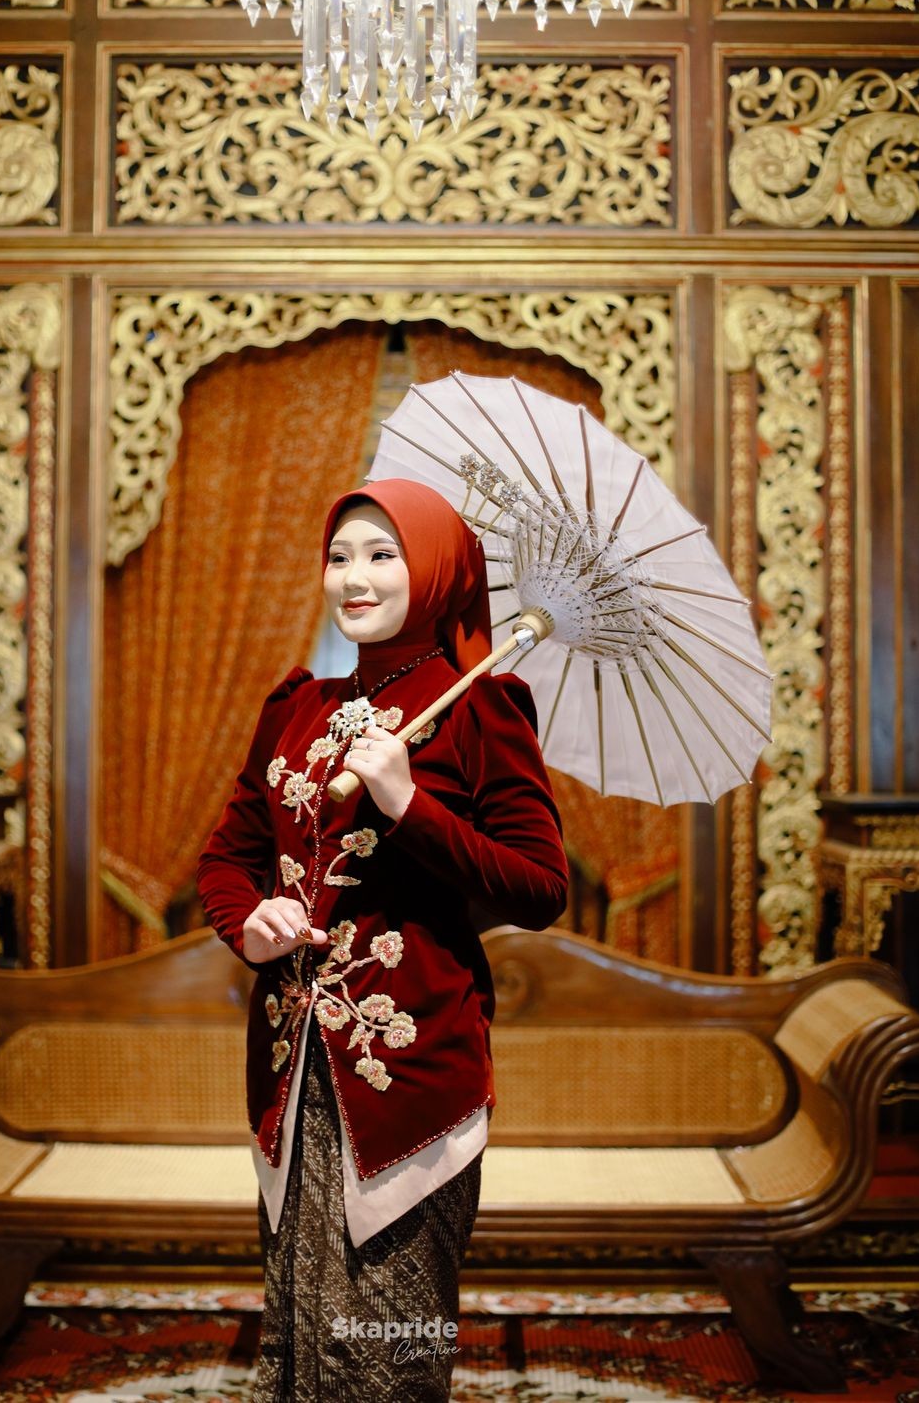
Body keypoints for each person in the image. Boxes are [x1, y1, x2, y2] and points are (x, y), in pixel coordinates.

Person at [196, 477, 568, 1402]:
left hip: (411, 1069)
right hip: (290, 1064)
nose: (353, 578)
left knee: (386, 1340)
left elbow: (540, 887)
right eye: (339, 556)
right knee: (298, 1328)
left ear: (436, 572)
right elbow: (228, 858)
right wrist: (250, 923)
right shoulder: (297, 706)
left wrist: (408, 804)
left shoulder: (483, 708)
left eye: (381, 555)